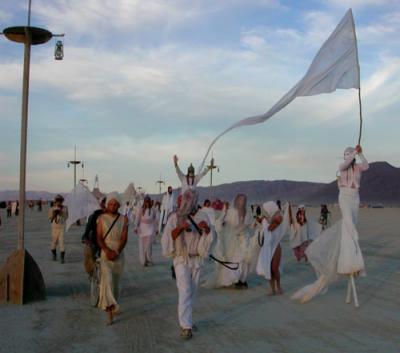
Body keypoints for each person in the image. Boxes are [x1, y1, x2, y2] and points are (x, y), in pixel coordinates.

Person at [292, 145, 368, 303]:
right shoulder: (342, 168)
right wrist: (354, 153)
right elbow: (344, 164)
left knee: (350, 225)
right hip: (345, 197)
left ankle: (351, 246)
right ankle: (354, 235)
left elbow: (367, 166)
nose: (348, 156)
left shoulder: (358, 168)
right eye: (347, 154)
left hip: (355, 198)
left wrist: (361, 154)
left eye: (350, 153)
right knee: (348, 223)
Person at [161, 189, 214, 340]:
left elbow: (210, 235)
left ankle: (188, 320)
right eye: (184, 199)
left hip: (196, 259)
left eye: (189, 200)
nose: (186, 202)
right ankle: (185, 326)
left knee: (192, 291)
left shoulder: (203, 215)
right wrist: (180, 227)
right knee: (184, 290)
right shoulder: (175, 217)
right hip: (181, 258)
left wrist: (208, 229)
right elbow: (168, 236)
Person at [204, 194, 253, 289]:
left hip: (244, 239)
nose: (242, 202)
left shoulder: (247, 212)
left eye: (244, 200)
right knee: (235, 259)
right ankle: (233, 279)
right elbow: (224, 224)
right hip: (234, 240)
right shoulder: (232, 211)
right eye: (240, 200)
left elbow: (248, 224)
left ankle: (242, 279)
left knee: (244, 260)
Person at [96, 192, 128, 325]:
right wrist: (108, 251)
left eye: (115, 204)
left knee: (115, 284)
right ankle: (111, 310)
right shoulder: (101, 218)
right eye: (111, 204)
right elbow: (99, 238)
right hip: (105, 253)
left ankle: (111, 307)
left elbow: (124, 238)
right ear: (107, 204)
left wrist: (117, 251)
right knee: (108, 280)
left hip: (118, 254)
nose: (113, 206)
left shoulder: (124, 219)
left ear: (118, 205)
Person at [256, 201, 289, 295]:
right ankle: (272, 288)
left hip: (275, 246)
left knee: (275, 268)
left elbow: (270, 228)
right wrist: (263, 220)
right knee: (268, 268)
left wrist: (263, 221)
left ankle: (278, 286)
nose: (266, 212)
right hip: (268, 247)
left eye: (266, 210)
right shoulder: (271, 218)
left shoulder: (279, 217)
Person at [81, 197, 106, 274]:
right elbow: (87, 230)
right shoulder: (95, 215)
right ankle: (91, 273)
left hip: (107, 243)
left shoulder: (113, 216)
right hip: (95, 241)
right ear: (101, 204)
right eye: (104, 203)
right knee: (89, 257)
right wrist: (86, 238)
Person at [134, 195, 157, 267]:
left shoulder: (153, 210)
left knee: (148, 245)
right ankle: (144, 261)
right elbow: (137, 219)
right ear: (144, 202)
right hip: (142, 229)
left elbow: (155, 220)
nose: (147, 203)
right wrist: (135, 227)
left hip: (150, 229)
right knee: (142, 246)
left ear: (150, 202)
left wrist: (156, 229)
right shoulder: (141, 209)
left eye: (148, 201)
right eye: (146, 201)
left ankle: (149, 259)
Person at [48, 195, 68, 263]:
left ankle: (62, 258)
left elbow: (66, 217)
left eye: (60, 201)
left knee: (62, 242)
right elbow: (50, 218)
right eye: (58, 201)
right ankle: (54, 254)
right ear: (55, 201)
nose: (59, 203)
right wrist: (54, 214)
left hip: (61, 227)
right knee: (54, 242)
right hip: (54, 228)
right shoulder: (52, 208)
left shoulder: (65, 208)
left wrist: (61, 213)